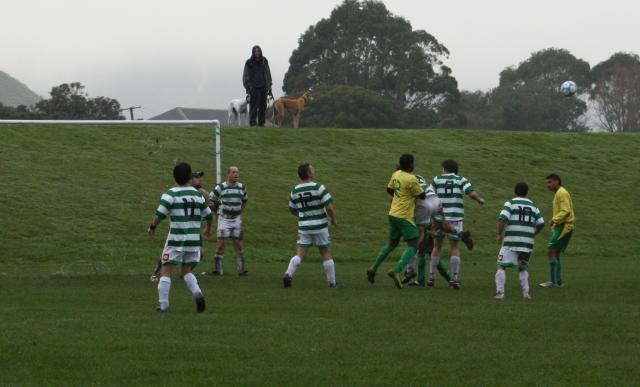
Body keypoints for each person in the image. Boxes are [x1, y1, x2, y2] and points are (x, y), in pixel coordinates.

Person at [147, 162, 213, 313]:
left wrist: (152, 227)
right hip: (193, 241)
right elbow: (209, 215)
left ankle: (164, 306)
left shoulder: (170, 194)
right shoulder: (198, 194)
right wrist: (208, 229)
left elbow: (160, 215)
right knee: (185, 272)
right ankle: (198, 294)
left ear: (174, 177)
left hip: (176, 239)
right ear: (190, 177)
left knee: (165, 270)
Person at [367, 154, 426, 289]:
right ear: (411, 165)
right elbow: (422, 196)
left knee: (391, 244)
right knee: (413, 245)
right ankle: (397, 270)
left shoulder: (396, 174)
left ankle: (373, 268)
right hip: (404, 217)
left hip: (393, 213)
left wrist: (399, 198)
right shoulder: (412, 179)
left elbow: (389, 189)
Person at [429, 159, 485, 289]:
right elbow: (470, 193)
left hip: (440, 218)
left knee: (437, 246)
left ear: (445, 169)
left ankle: (431, 277)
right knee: (455, 247)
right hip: (456, 217)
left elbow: (430, 194)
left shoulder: (437, 179)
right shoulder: (461, 179)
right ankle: (454, 279)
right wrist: (479, 199)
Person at [150, 170, 211, 282]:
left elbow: (210, 207)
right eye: (197, 177)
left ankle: (185, 273)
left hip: (193, 229)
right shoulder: (177, 191)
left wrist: (216, 204)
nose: (200, 179)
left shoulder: (202, 193)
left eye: (200, 177)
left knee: (200, 252)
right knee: (168, 253)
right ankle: (158, 272)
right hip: (178, 228)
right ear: (190, 179)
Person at [283, 163, 337, 288]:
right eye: (312, 169)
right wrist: (333, 219)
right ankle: (332, 283)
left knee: (300, 253)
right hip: (320, 226)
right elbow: (329, 207)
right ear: (308, 173)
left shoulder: (295, 190)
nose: (314, 171)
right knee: (326, 253)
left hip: (304, 227)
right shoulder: (319, 187)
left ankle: (288, 274)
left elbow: (292, 210)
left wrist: (304, 215)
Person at [494, 182, 545, 299]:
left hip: (511, 241)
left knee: (501, 265)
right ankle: (526, 293)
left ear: (515, 191)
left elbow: (502, 218)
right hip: (527, 243)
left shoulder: (511, 203)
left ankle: (500, 293)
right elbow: (541, 223)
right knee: (522, 267)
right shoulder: (533, 205)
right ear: (527, 192)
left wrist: (499, 234)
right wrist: (533, 233)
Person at [209, 166, 249, 276]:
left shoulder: (242, 187)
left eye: (237, 172)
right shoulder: (221, 187)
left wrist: (240, 210)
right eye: (233, 172)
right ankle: (218, 270)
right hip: (224, 219)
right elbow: (211, 199)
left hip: (236, 220)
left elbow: (245, 200)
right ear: (228, 174)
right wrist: (215, 210)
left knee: (239, 244)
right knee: (221, 244)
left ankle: (241, 270)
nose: (236, 174)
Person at [539, 174, 574, 288]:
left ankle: (553, 282)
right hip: (562, 226)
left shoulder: (561, 193)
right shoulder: (559, 193)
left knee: (551, 251)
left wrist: (554, 220)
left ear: (557, 181)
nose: (547, 185)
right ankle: (558, 282)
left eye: (549, 182)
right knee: (555, 253)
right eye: (546, 183)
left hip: (564, 226)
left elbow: (566, 211)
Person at [242, 45, 273, 127]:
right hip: (254, 88)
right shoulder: (249, 62)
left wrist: (269, 86)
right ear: (253, 52)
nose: (257, 53)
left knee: (263, 107)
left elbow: (268, 73)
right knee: (254, 107)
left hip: (263, 87)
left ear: (260, 52)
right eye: (255, 51)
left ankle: (261, 123)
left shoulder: (264, 61)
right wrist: (248, 87)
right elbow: (245, 75)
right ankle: (253, 123)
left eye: (258, 51)